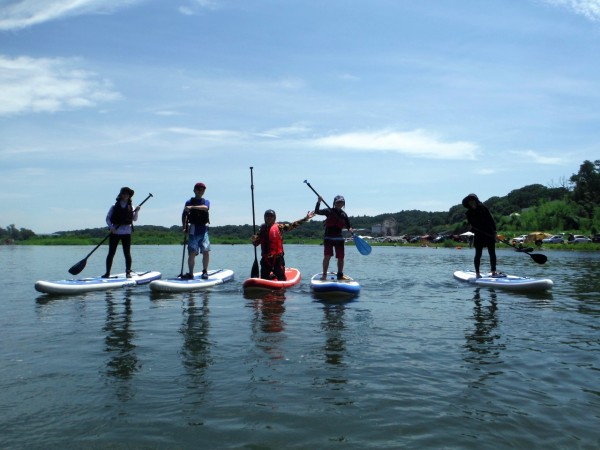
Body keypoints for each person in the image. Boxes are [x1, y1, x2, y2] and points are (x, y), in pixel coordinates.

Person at [252, 209, 315, 280]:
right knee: (264, 277)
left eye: (271, 216)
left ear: (274, 217)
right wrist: (254, 240)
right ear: (264, 218)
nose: (269, 218)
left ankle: (277, 279)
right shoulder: (261, 230)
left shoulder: (280, 227)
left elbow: (293, 225)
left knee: (281, 278)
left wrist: (305, 218)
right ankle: (271, 277)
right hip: (266, 259)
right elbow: (256, 244)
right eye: (267, 216)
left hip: (278, 259)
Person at [102, 187, 140, 278]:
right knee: (111, 253)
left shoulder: (131, 207)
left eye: (127, 194)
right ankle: (107, 273)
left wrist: (137, 211)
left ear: (129, 196)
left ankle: (128, 272)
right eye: (124, 193)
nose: (125, 195)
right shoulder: (114, 206)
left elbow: (134, 219)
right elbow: (107, 218)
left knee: (127, 253)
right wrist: (111, 228)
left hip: (126, 233)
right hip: (115, 232)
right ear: (121, 195)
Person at [314, 195, 354, 280]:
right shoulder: (329, 211)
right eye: (338, 202)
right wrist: (319, 201)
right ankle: (324, 275)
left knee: (341, 258)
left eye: (341, 202)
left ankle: (340, 275)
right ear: (334, 203)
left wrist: (350, 229)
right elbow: (317, 211)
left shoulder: (344, 214)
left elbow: (349, 226)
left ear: (343, 203)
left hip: (339, 239)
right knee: (327, 256)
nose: (339, 203)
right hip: (328, 238)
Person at [462, 193, 498, 278]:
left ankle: (493, 271)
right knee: (478, 254)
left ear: (475, 200)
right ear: (468, 203)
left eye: (472, 200)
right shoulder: (468, 213)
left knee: (492, 253)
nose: (471, 202)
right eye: (469, 201)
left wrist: (495, 231)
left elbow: (491, 219)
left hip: (489, 233)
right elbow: (470, 226)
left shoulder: (484, 208)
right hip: (478, 235)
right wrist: (470, 228)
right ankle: (477, 274)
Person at [182, 182, 211, 279]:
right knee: (192, 253)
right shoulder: (188, 202)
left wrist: (192, 207)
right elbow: (184, 215)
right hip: (193, 230)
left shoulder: (206, 201)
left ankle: (205, 271)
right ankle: (190, 273)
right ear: (194, 190)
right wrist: (184, 227)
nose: (200, 191)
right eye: (198, 189)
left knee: (206, 251)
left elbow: (205, 208)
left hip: (203, 230)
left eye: (202, 190)